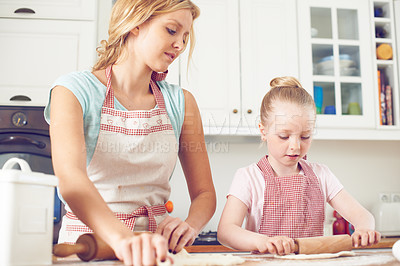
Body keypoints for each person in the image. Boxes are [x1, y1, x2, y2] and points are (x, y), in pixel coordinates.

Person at [45, 0, 216, 265]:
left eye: (185, 37)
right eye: (172, 30)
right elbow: (71, 179)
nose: (180, 45)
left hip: (157, 252)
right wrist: (124, 239)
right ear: (135, 23)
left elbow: (205, 193)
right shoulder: (73, 91)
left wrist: (190, 225)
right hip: (89, 247)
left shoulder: (181, 102)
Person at [217, 76, 381, 256]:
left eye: (305, 136)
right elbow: (226, 231)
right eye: (284, 136)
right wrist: (263, 241)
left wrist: (365, 228)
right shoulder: (248, 177)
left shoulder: (321, 175)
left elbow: (361, 215)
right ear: (263, 131)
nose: (295, 146)